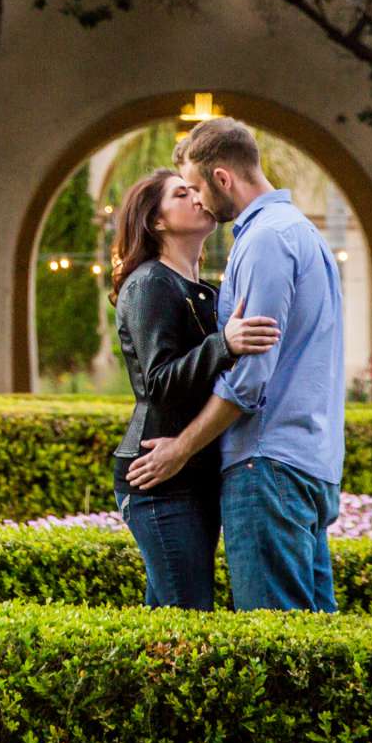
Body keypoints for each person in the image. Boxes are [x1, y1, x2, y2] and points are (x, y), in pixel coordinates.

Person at [124, 117, 346, 612]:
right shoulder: (303, 233)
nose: (198, 201)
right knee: (314, 648)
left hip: (266, 461)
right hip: (313, 459)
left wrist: (180, 448)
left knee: (272, 644)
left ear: (223, 179)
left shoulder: (265, 240)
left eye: (198, 188)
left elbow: (249, 380)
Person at [107, 167, 281, 609]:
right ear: (156, 222)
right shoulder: (150, 284)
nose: (196, 198)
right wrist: (224, 344)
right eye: (181, 194)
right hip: (159, 478)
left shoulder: (198, 289)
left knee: (170, 617)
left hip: (192, 473)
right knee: (187, 617)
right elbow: (160, 382)